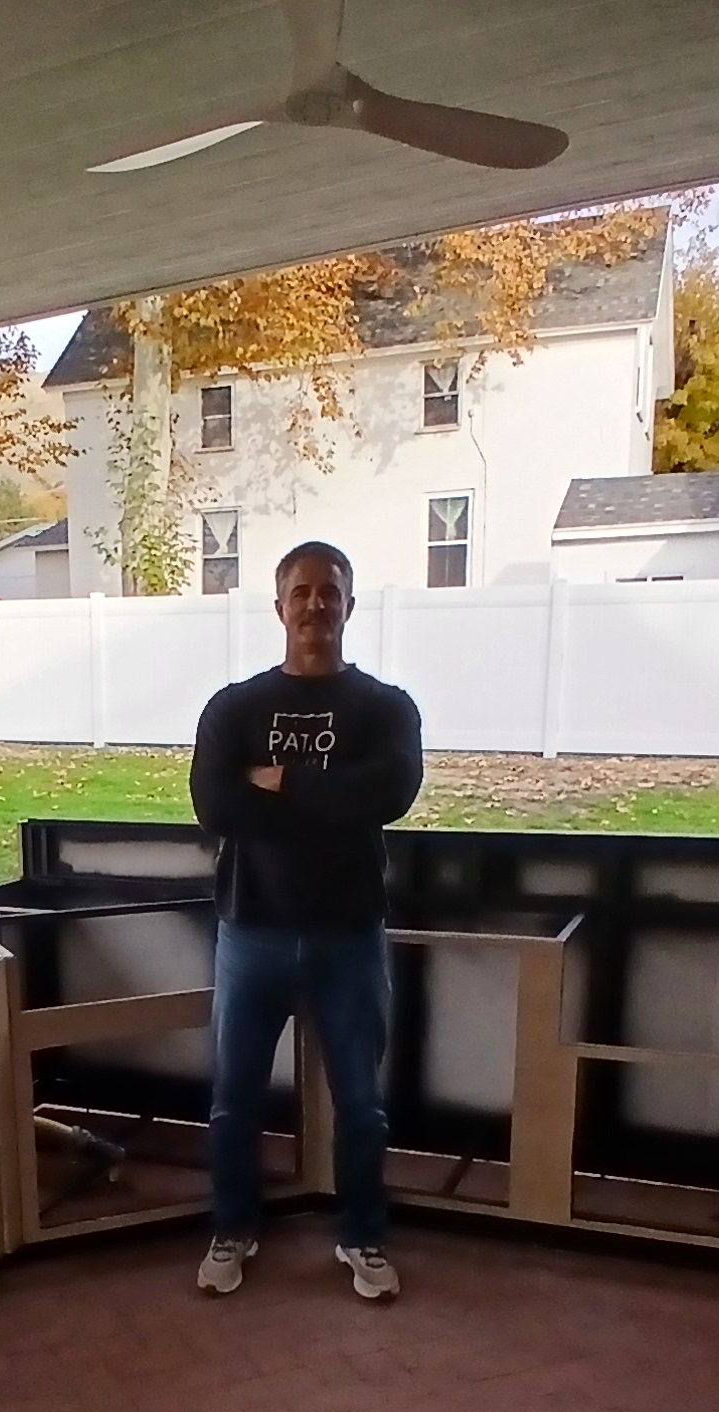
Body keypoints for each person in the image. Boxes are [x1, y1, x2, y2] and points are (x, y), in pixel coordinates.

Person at [187, 539, 423, 1301]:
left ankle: (361, 1235)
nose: (316, 604)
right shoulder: (234, 707)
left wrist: (281, 778)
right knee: (235, 1099)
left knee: (361, 1100)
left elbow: (388, 796)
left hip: (349, 932)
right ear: (280, 604)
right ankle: (233, 1226)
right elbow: (216, 807)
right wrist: (330, 796)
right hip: (249, 928)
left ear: (349, 606)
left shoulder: (386, 708)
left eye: (331, 592)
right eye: (302, 591)